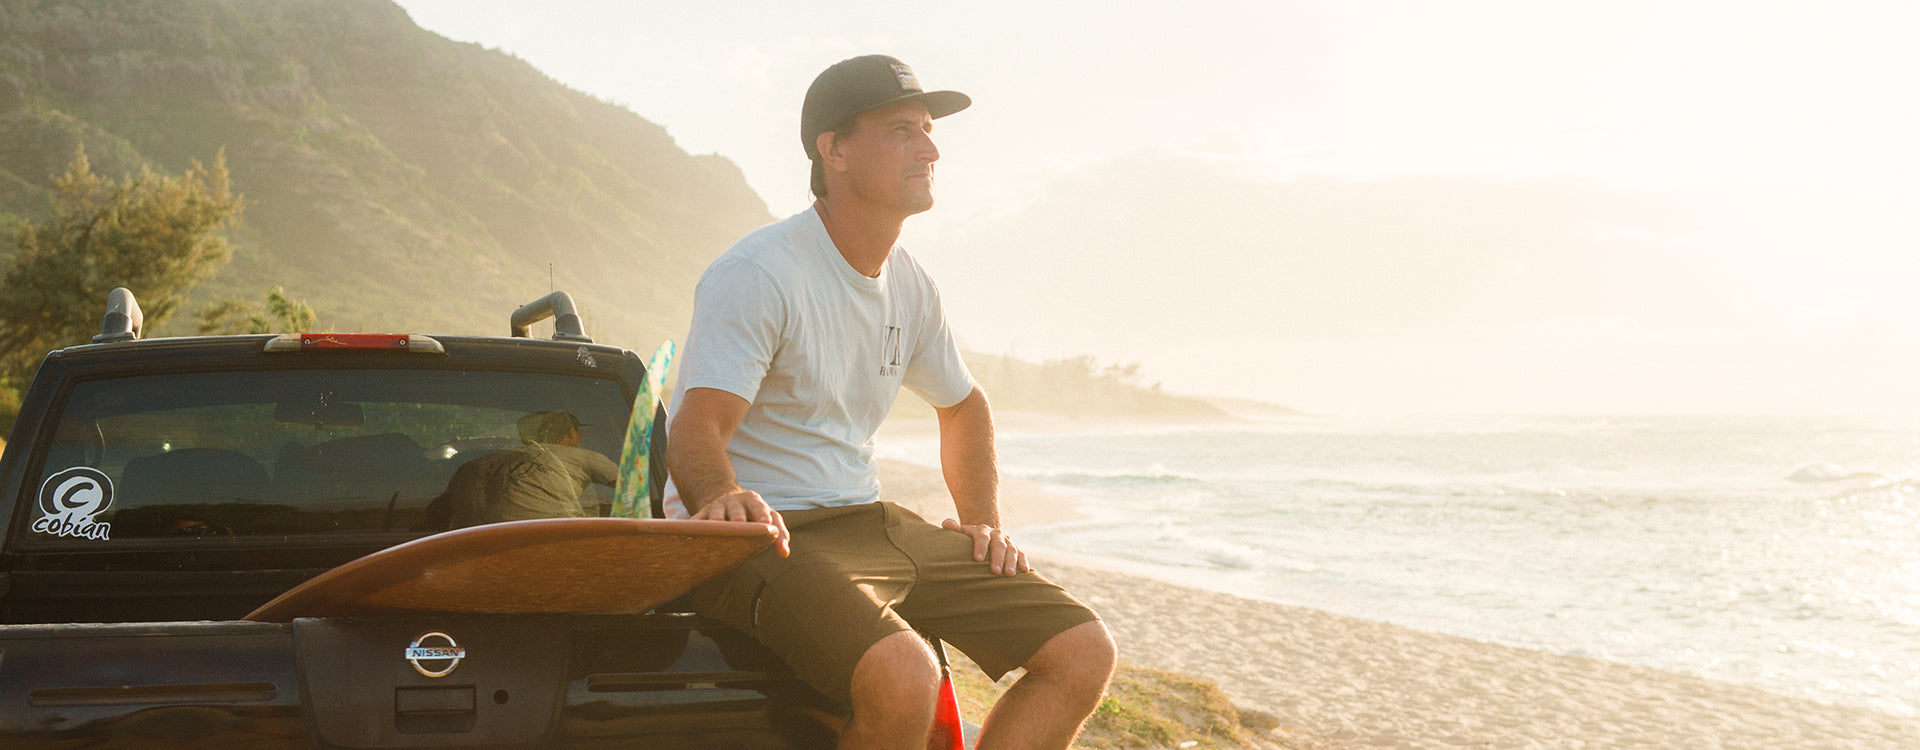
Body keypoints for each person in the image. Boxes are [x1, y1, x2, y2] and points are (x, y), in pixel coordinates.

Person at [666, 55, 1116, 750]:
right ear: (834, 150)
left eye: (930, 130)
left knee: (1084, 650)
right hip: (764, 536)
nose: (930, 148)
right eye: (903, 130)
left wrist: (982, 524)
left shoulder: (911, 285)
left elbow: (964, 405)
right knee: (907, 677)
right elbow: (698, 423)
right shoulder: (760, 273)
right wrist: (720, 495)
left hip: (869, 521)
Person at [441, 410, 617, 528]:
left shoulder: (476, 466)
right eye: (578, 431)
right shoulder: (585, 457)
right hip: (555, 542)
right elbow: (633, 485)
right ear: (571, 432)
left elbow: (439, 510)